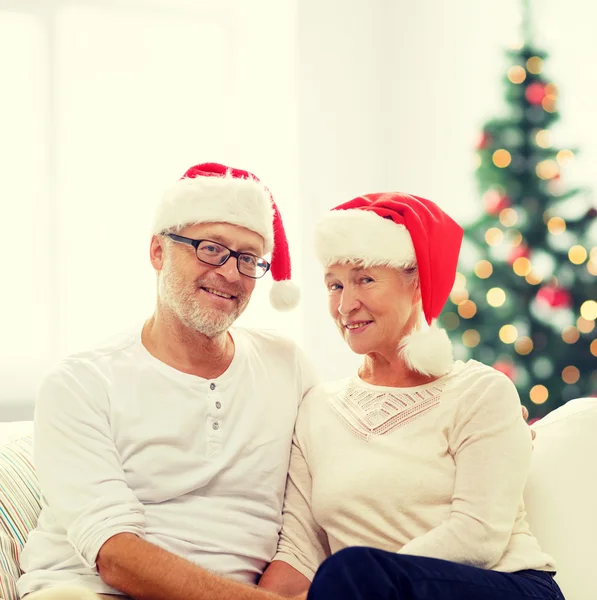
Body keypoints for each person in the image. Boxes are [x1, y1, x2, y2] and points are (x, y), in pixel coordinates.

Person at [18, 163, 317, 600]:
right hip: (89, 590)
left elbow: (304, 520)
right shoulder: (81, 381)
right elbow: (114, 554)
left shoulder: (287, 365)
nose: (232, 273)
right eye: (211, 248)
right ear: (158, 251)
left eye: (249, 258)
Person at [258, 192, 565, 600]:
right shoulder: (317, 408)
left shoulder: (480, 391)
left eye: (365, 279)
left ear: (416, 283)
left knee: (354, 570)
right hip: (362, 588)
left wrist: (366, 583)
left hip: (505, 586)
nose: (346, 304)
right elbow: (298, 554)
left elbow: (477, 536)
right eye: (335, 285)